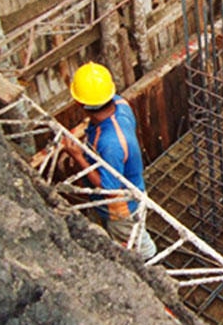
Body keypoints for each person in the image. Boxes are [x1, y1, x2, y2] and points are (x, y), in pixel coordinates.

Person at [63, 61, 157, 260]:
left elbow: (110, 190)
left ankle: (150, 263)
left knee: (137, 245)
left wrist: (78, 157)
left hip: (121, 208)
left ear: (80, 104)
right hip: (128, 189)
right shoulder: (120, 105)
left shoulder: (110, 143)